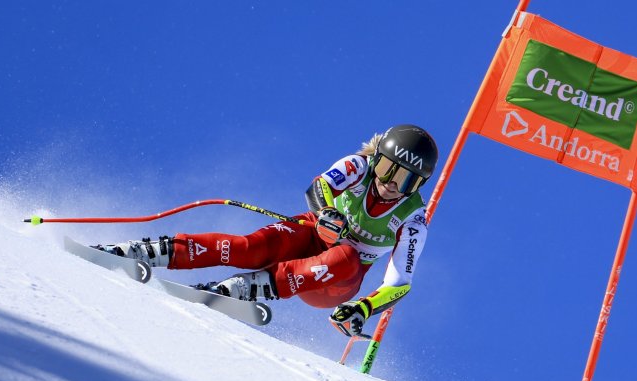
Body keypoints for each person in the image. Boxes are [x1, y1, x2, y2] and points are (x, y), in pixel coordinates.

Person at [96, 124, 438, 337]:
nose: (391, 183)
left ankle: (242, 290)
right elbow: (318, 187)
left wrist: (363, 309)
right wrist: (326, 212)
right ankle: (148, 252)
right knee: (250, 248)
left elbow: (399, 283)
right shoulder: (358, 166)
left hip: (333, 281)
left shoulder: (413, 219)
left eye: (406, 178)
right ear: (376, 158)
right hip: (312, 235)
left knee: (347, 255)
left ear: (418, 184)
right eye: (387, 167)